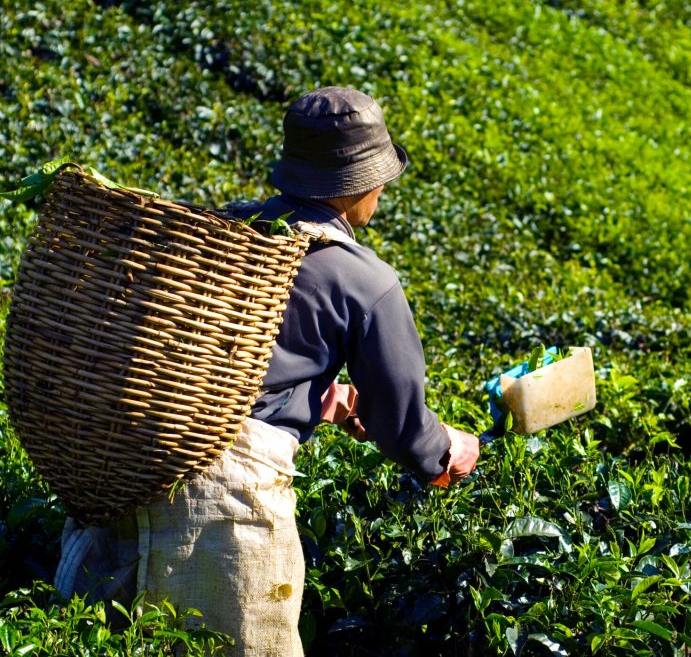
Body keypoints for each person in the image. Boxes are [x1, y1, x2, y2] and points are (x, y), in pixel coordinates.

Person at [54, 86, 480, 656]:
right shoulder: (365, 280)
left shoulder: (226, 228)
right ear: (361, 185)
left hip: (130, 466)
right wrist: (446, 451)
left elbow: (221, 362)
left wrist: (317, 397)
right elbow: (402, 425)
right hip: (223, 508)